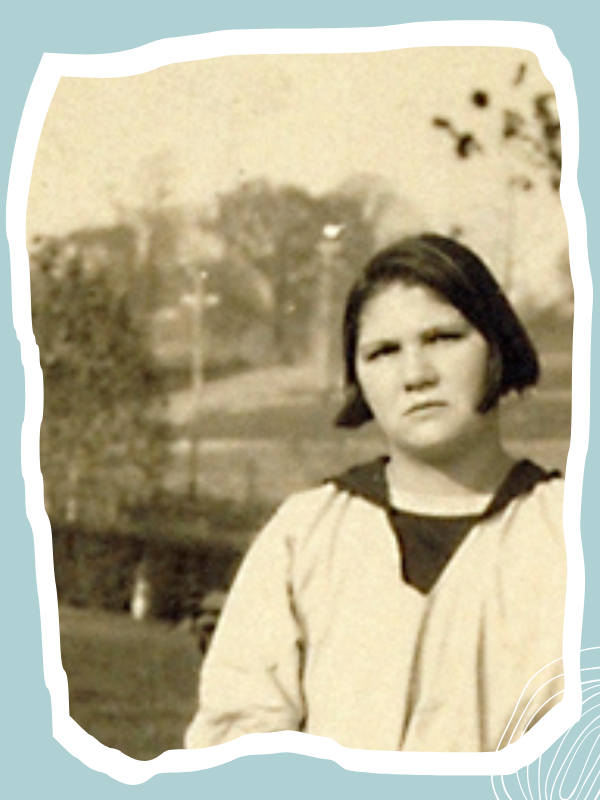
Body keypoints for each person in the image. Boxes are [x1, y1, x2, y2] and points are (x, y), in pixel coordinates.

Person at [184, 233, 566, 753]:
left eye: (443, 338)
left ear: (498, 345)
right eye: (383, 352)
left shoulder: (568, 535)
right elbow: (235, 745)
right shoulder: (306, 535)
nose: (416, 375)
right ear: (359, 379)